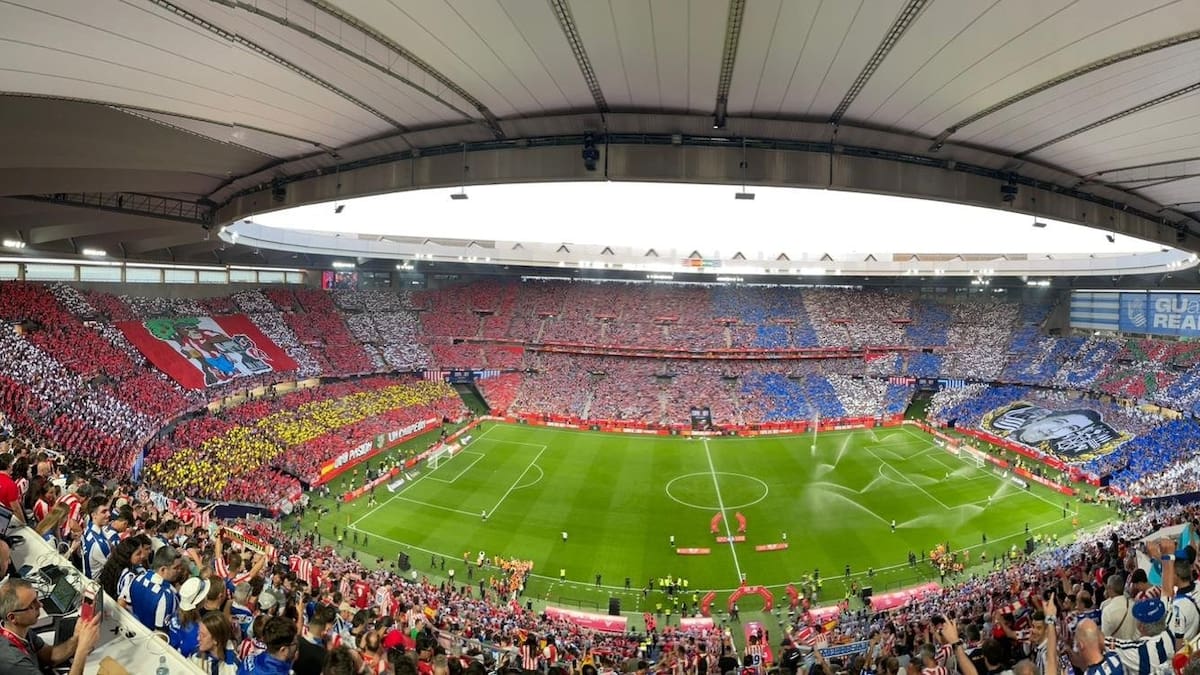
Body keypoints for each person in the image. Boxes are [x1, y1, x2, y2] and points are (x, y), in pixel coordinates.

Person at [0, 577, 101, 675]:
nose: (40, 605)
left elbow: (50, 656)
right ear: (12, 618)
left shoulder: (19, 630)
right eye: (32, 605)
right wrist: (82, 651)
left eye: (36, 598)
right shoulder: (14, 662)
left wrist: (77, 638)